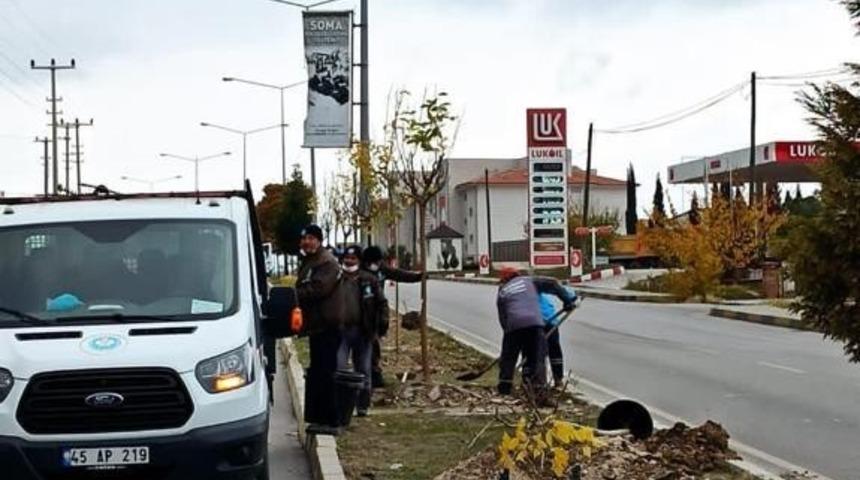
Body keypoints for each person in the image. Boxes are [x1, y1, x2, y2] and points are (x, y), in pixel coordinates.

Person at [296, 224, 345, 433]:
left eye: (310, 238)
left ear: (318, 240)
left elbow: (318, 289)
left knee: (326, 373)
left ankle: (332, 421)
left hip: (328, 326)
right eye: (304, 239)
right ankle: (319, 418)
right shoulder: (311, 261)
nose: (306, 242)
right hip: (317, 326)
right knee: (317, 372)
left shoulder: (327, 263)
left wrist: (293, 295)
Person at [495, 268, 574, 396]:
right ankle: (538, 390)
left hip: (513, 324)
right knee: (537, 356)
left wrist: (510, 336)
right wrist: (568, 301)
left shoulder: (502, 291)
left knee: (508, 357)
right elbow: (553, 283)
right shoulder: (529, 281)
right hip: (534, 323)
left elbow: (503, 317)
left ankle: (504, 387)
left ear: (504, 279)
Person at [361, 245, 424, 388]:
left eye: (377, 262)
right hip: (361, 311)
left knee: (374, 343)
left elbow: (398, 274)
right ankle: (366, 375)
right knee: (364, 344)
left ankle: (374, 375)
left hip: (377, 310)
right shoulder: (360, 271)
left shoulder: (382, 268)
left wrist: (418, 277)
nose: (374, 265)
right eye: (371, 262)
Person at [337, 245, 388, 417]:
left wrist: (381, 325)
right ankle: (342, 405)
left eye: (353, 258)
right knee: (340, 368)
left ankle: (362, 405)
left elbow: (382, 303)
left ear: (359, 261)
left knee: (364, 370)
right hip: (340, 332)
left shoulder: (369, 280)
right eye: (347, 258)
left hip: (363, 332)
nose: (349, 261)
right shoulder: (335, 279)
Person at [538, 285, 578, 388]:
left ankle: (554, 380)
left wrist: (571, 299)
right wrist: (571, 299)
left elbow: (566, 291)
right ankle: (544, 381)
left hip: (544, 321)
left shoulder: (530, 286)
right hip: (543, 321)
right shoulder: (535, 286)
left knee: (547, 351)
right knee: (545, 351)